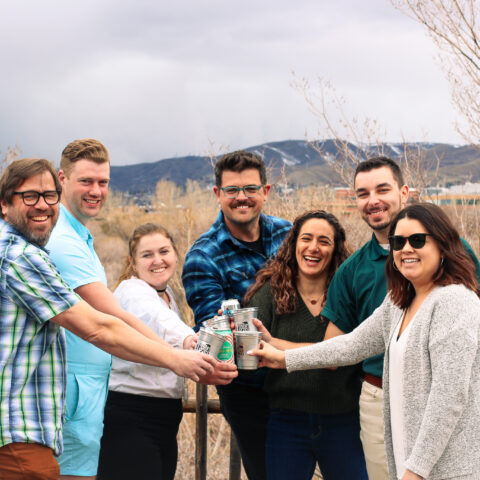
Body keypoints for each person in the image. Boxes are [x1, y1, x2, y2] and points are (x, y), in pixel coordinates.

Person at [0, 158, 217, 480]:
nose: (42, 205)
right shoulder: (21, 257)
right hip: (17, 432)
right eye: (29, 196)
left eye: (50, 196)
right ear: (5, 204)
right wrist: (175, 358)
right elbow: (99, 327)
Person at [47, 139, 236, 479]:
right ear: (61, 179)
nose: (96, 190)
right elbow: (112, 323)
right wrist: (182, 355)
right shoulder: (68, 246)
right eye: (86, 181)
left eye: (102, 182)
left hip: (95, 403)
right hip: (93, 404)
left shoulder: (80, 239)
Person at [252, 202, 480, 480]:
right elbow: (351, 345)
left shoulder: (455, 301)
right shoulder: (399, 301)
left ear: (443, 245)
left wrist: (416, 471)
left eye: (417, 240)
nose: (406, 249)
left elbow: (449, 397)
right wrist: (284, 358)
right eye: (398, 242)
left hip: (448, 467)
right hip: (409, 455)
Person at [318, 157, 480, 480]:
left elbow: (451, 390)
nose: (373, 200)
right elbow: (343, 346)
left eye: (382, 189)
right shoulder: (361, 276)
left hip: (442, 397)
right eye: (363, 193)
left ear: (404, 192)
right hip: (380, 398)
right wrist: (280, 355)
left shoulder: (454, 272)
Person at [182, 150, 291, 480]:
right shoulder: (203, 257)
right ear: (218, 194)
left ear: (265, 192)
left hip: (302, 379)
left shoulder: (290, 234)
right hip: (251, 394)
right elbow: (222, 343)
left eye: (250, 188)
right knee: (271, 473)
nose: (241, 198)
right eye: (231, 190)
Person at [243, 210, 367, 480]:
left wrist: (275, 345)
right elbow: (252, 350)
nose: (313, 247)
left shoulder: (349, 294)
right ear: (293, 244)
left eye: (324, 241)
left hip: (344, 420)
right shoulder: (269, 293)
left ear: (335, 250)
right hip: (286, 421)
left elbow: (341, 355)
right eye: (306, 238)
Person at [97, 223, 219, 479]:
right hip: (131, 415)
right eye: (147, 255)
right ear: (133, 262)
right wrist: (189, 341)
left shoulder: (168, 295)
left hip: (162, 416)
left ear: (175, 254)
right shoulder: (132, 291)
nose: (157, 261)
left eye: (164, 251)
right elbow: (161, 324)